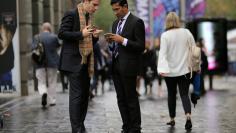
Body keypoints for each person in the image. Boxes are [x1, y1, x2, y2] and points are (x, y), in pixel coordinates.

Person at [58, 0, 101, 132]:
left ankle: (80, 126)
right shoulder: (71, 14)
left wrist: (94, 37)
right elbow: (62, 33)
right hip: (73, 62)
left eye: (97, 5)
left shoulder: (89, 17)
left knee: (84, 96)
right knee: (76, 96)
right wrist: (81, 34)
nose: (96, 8)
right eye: (94, 4)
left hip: (87, 62)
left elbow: (89, 42)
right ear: (86, 1)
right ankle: (76, 129)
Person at [106, 0, 145, 132]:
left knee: (131, 98)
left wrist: (122, 40)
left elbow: (140, 46)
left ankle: (135, 127)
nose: (115, 12)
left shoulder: (137, 22)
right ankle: (126, 125)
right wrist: (111, 42)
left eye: (117, 9)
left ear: (125, 7)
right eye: (113, 10)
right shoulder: (115, 23)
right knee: (120, 98)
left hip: (129, 67)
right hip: (116, 66)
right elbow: (115, 47)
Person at [157, 12, 194, 130]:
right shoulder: (186, 32)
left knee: (171, 95)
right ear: (178, 21)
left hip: (170, 72)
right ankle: (188, 116)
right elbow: (193, 49)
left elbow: (162, 54)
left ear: (167, 22)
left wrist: (161, 69)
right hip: (185, 70)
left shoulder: (165, 35)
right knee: (184, 94)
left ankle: (172, 119)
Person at [32, 22, 60, 107]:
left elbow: (33, 48)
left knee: (41, 81)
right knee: (52, 82)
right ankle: (52, 101)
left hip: (40, 63)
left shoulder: (37, 37)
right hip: (52, 63)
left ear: (42, 28)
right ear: (50, 28)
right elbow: (58, 47)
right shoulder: (54, 37)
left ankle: (44, 92)